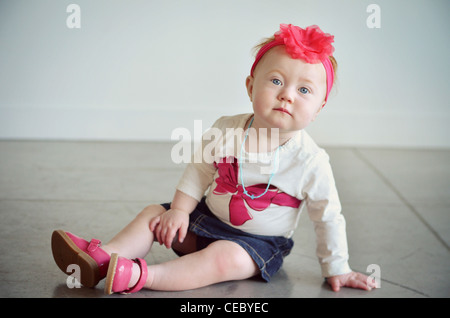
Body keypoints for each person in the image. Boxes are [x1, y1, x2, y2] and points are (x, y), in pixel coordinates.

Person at [51, 23, 376, 294]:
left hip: (255, 247)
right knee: (155, 213)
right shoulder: (226, 129)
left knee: (225, 257)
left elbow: (328, 217)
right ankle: (103, 258)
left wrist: (337, 268)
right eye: (276, 81)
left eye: (304, 90)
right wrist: (179, 211)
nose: (287, 94)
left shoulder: (311, 161)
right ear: (250, 87)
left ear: (319, 109)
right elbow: (200, 170)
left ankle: (141, 277)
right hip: (205, 222)